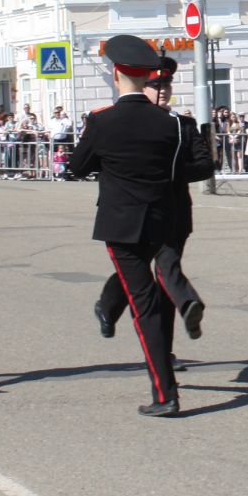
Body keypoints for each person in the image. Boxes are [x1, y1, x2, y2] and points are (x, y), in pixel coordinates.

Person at [65, 35, 215, 416]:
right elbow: (184, 168)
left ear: (116, 74)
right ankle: (166, 390)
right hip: (165, 218)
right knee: (158, 302)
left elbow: (77, 167)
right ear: (148, 76)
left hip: (121, 225)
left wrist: (109, 162)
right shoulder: (173, 124)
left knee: (145, 305)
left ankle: (165, 395)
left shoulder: (101, 121)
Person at [92, 54, 212, 355]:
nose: (162, 91)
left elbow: (205, 165)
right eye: (154, 85)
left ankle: (171, 338)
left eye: (166, 85)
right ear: (141, 86)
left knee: (165, 274)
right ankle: (108, 306)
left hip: (174, 213)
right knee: (138, 273)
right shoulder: (123, 121)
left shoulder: (183, 124)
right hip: (135, 211)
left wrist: (170, 173)